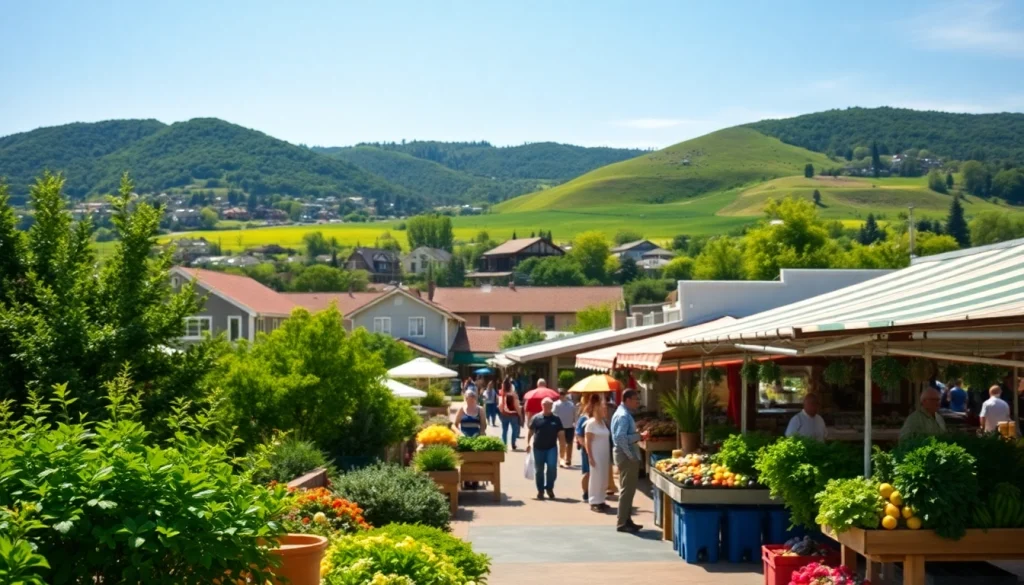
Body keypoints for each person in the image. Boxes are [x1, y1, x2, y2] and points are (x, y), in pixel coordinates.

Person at [611, 389, 647, 533]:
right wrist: (638, 437)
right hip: (626, 456)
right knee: (627, 490)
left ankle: (627, 519)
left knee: (629, 489)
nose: (637, 402)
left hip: (625, 455)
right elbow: (621, 438)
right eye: (635, 399)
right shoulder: (623, 416)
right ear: (627, 400)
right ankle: (622, 522)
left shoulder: (623, 414)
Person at [526, 397, 565, 500]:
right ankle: (540, 490)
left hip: (551, 448)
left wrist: (562, 448)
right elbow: (530, 431)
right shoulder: (536, 418)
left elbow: (561, 434)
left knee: (552, 468)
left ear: (552, 406)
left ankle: (549, 488)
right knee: (539, 470)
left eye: (549, 405)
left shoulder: (556, 419)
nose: (547, 407)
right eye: (545, 405)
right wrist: (528, 443)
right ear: (542, 406)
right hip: (538, 448)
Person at [454, 390, 486, 489]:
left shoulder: (480, 409)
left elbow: (483, 424)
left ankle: (475, 480)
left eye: (473, 397)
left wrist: (481, 433)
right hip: (464, 436)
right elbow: (455, 424)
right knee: (465, 459)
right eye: (469, 397)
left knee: (476, 459)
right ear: (466, 398)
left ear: (475, 398)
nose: (471, 399)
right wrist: (459, 434)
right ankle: (466, 480)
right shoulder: (461, 409)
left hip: (476, 436)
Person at [584, 397, 611, 513]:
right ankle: (594, 501)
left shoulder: (603, 423)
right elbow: (587, 441)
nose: (605, 408)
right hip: (596, 455)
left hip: (604, 455)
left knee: (603, 478)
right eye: (603, 406)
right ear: (596, 407)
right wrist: (590, 456)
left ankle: (601, 500)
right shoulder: (591, 423)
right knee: (596, 478)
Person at [575, 398, 595, 503]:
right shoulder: (584, 418)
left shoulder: (597, 418)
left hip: (596, 449)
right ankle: (586, 492)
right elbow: (578, 434)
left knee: (593, 472)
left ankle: (593, 491)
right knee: (587, 472)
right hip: (586, 449)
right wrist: (586, 447)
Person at [553, 389, 577, 467]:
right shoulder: (556, 404)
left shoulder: (571, 405)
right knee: (562, 444)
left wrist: (575, 423)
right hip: (560, 427)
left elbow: (575, 415)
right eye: (560, 394)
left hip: (569, 426)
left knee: (569, 444)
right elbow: (554, 415)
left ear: (565, 395)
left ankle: (568, 459)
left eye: (563, 394)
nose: (561, 395)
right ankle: (562, 459)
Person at [498, 378, 523, 450]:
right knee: (514, 429)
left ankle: (504, 444)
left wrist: (502, 412)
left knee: (504, 430)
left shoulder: (501, 394)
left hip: (504, 414)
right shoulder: (514, 395)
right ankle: (513, 443)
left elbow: (500, 405)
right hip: (513, 415)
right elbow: (516, 405)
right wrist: (520, 415)